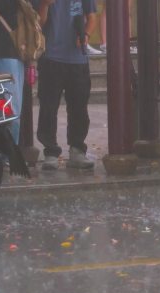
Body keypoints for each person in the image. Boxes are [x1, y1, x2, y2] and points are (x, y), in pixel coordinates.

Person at [33, 0, 97, 170]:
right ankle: (51, 152)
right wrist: (45, 5)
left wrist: (87, 35)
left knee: (79, 107)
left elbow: (92, 18)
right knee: (48, 106)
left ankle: (77, 150)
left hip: (78, 59)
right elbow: (38, 23)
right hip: (50, 57)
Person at [0, 0, 24, 144]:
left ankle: (7, 154)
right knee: (7, 105)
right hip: (9, 54)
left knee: (6, 107)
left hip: (5, 53)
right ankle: (8, 154)